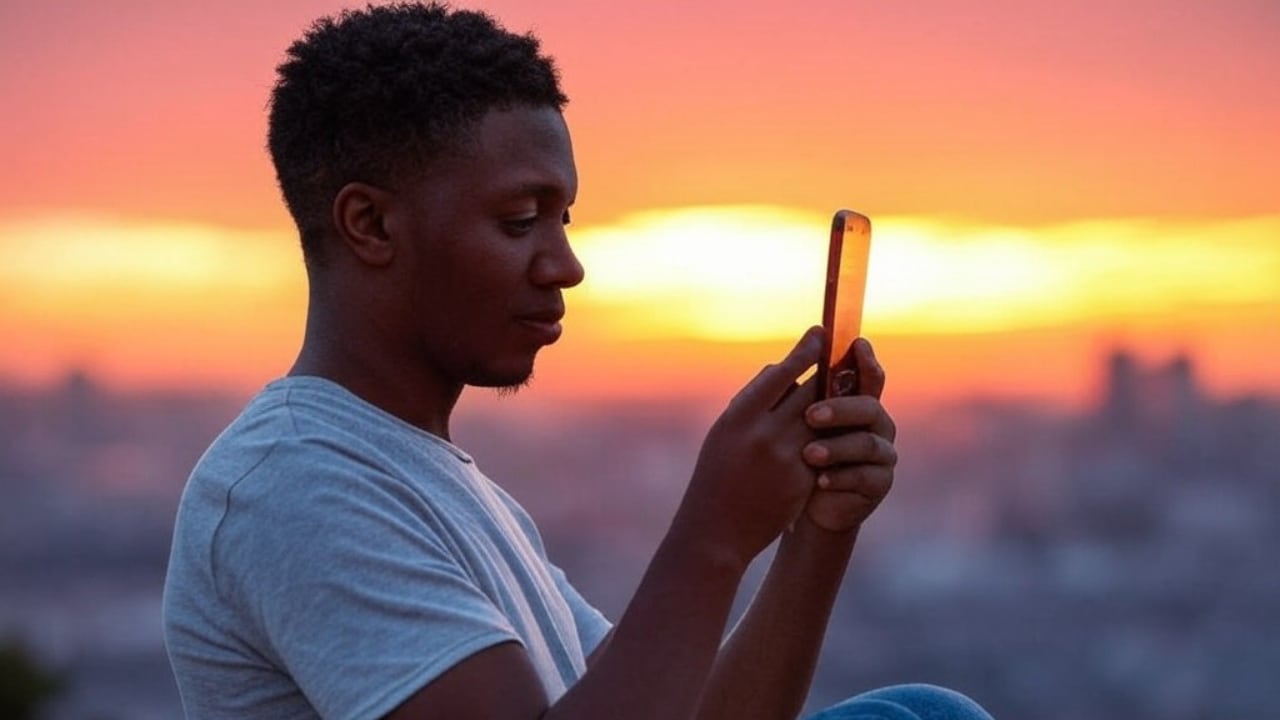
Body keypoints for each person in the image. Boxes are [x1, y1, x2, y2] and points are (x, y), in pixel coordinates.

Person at [161, 4, 995, 720]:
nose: (565, 265)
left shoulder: (444, 484)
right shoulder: (293, 486)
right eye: (521, 221)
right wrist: (711, 534)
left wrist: (818, 530)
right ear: (370, 226)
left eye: (565, 220)